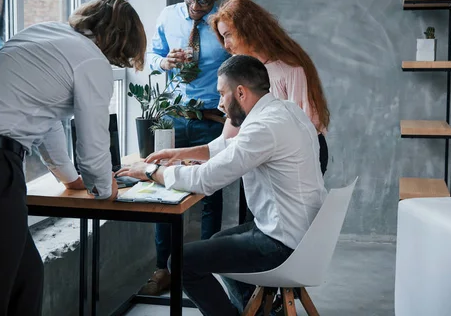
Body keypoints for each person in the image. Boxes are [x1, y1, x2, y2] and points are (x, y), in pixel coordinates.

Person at [0, 0, 147, 316]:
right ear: (120, 39)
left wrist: (70, 179)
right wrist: (103, 188)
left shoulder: (42, 33)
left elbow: (48, 121)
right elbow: (92, 138)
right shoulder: (90, 59)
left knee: (25, 278)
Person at [116, 55, 328, 316]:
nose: (219, 104)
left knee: (181, 262)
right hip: (305, 235)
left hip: (282, 245)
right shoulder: (286, 111)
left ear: (241, 92)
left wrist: (150, 171)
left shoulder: (264, 127)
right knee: (218, 240)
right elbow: (230, 148)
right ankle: (253, 310)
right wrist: (179, 153)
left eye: (222, 94)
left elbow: (205, 181)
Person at [143, 0, 230, 295]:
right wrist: (164, 63)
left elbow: (239, 63)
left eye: (203, 1)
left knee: (210, 195)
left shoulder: (225, 24)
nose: (194, 7)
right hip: (174, 117)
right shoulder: (168, 16)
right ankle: (161, 268)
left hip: (212, 120)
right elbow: (152, 55)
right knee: (165, 192)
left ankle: (208, 267)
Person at [209, 0, 331, 175]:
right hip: (261, 153)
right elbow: (232, 129)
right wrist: (203, 157)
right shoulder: (239, 67)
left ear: (248, 29)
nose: (225, 45)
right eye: (222, 37)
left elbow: (304, 127)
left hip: (301, 155)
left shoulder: (290, 68)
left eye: (228, 35)